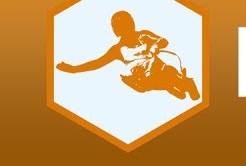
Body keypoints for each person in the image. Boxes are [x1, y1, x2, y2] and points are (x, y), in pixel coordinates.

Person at [55, 11, 200, 100]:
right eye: (120, 26)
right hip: (143, 78)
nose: (124, 28)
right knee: (141, 86)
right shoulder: (117, 50)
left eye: (125, 24)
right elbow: (96, 63)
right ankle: (174, 86)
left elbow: (164, 41)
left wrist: (154, 46)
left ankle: (184, 83)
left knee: (174, 78)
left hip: (160, 69)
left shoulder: (143, 35)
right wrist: (73, 69)